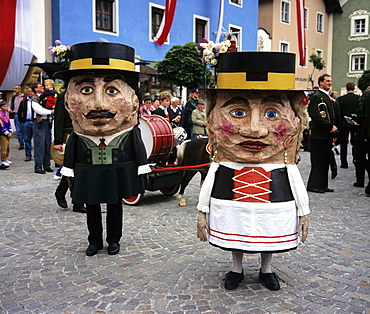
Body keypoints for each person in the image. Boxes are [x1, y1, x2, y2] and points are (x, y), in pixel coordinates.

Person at [196, 51, 310, 291]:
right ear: (211, 117)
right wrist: (202, 213)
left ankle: (266, 269)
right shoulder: (221, 163)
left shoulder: (284, 164)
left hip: (274, 204)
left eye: (272, 114)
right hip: (231, 204)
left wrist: (304, 212)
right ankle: (236, 269)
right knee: (235, 229)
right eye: (238, 112)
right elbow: (209, 181)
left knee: (270, 233)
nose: (255, 130)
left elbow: (296, 181)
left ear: (295, 121)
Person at [56, 40, 151, 256]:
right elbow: (71, 149)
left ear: (133, 101)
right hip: (87, 170)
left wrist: (142, 166)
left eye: (112, 90)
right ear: (69, 102)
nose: (99, 104)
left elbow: (137, 146)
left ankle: (114, 239)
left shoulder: (130, 133)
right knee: (91, 206)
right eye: (86, 90)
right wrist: (68, 169)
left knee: (115, 205)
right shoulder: (78, 135)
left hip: (117, 170)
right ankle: (94, 240)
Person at [52, 90, 86, 213]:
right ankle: (77, 202)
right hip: (69, 135)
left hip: (83, 134)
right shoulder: (63, 96)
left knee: (78, 168)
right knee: (73, 168)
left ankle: (62, 192)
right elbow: (59, 118)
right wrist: (58, 141)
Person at [306, 74, 338, 193]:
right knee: (318, 161)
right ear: (320, 82)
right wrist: (329, 126)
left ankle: (322, 184)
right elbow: (315, 115)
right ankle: (314, 185)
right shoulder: (317, 96)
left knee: (324, 161)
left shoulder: (326, 96)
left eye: (330, 81)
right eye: (327, 81)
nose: (330, 83)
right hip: (319, 134)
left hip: (326, 134)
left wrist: (333, 132)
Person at [30, 81, 54, 174]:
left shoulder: (46, 96)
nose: (43, 87)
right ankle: (38, 166)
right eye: (40, 86)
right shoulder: (35, 98)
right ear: (36, 89)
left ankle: (46, 165)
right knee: (40, 145)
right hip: (39, 122)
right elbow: (38, 109)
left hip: (47, 121)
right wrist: (50, 112)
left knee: (47, 144)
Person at [336, 82, 360, 168]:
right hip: (355, 124)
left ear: (346, 88)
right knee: (355, 143)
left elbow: (338, 113)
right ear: (354, 88)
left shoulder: (341, 99)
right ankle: (355, 159)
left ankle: (344, 163)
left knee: (343, 144)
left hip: (343, 124)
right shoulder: (358, 98)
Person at [353, 86, 370, 196]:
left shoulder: (367, 98)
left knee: (360, 158)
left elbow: (366, 117)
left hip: (363, 134)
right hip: (364, 133)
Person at [17, 88, 34, 161]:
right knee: (27, 139)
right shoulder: (23, 101)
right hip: (26, 122)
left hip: (35, 121)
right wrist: (22, 121)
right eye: (28, 91)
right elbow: (19, 111)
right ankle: (28, 155)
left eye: (31, 91)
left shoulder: (37, 100)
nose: (30, 93)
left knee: (37, 140)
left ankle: (37, 155)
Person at [9, 84, 25, 150]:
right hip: (16, 114)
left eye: (16, 88)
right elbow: (9, 105)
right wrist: (9, 109)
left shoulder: (24, 97)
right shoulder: (13, 98)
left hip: (23, 114)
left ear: (20, 89)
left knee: (25, 129)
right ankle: (21, 144)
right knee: (18, 130)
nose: (15, 90)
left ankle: (26, 142)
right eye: (14, 88)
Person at [0, 100, 13, 168]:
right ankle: (3, 160)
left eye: (6, 106)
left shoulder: (7, 113)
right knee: (4, 147)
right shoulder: (0, 115)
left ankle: (6, 158)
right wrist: (6, 132)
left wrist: (10, 130)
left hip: (8, 131)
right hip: (2, 133)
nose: (6, 108)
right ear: (1, 107)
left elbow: (8, 122)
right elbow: (1, 124)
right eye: (4, 106)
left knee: (8, 146)